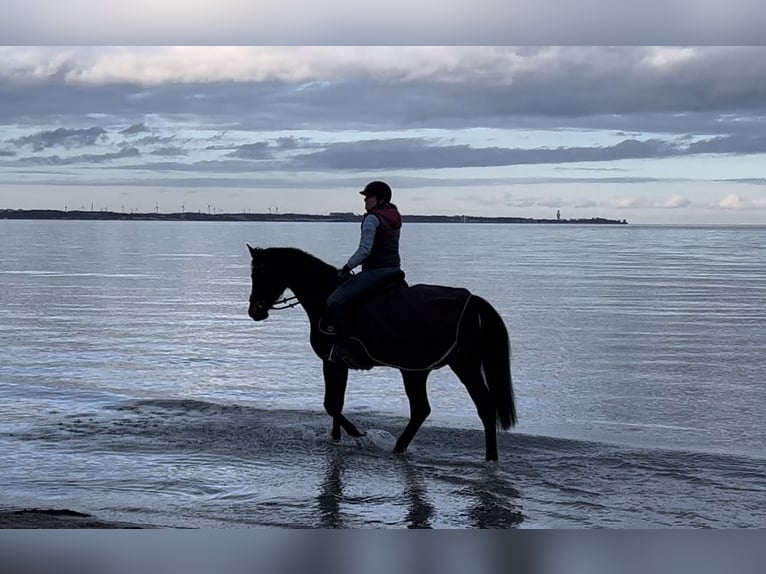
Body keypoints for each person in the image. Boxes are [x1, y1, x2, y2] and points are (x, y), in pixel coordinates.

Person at [325, 181, 403, 356]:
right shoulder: (394, 216)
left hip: (376, 271)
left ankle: (343, 346)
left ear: (380, 199)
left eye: (369, 197)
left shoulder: (372, 219)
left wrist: (347, 267)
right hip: (394, 269)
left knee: (335, 300)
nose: (365, 200)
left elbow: (365, 250)